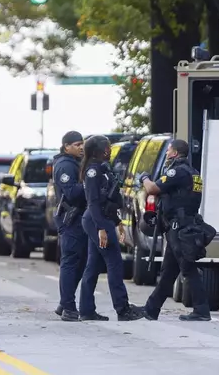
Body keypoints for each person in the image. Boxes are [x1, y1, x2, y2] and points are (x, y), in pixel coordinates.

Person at [138, 139, 211, 321]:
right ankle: (151, 309)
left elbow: (153, 189)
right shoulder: (193, 173)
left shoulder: (177, 171)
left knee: (188, 268)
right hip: (182, 227)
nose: (167, 153)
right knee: (168, 271)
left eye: (169, 150)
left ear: (175, 153)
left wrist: (144, 178)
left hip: (179, 228)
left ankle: (202, 310)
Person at [78, 135, 144, 321]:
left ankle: (86, 309)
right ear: (101, 150)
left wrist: (118, 223)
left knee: (93, 265)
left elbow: (110, 201)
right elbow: (93, 202)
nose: (110, 150)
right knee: (114, 262)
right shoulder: (93, 171)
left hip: (103, 219)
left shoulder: (103, 168)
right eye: (108, 147)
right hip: (96, 220)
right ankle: (122, 309)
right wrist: (101, 228)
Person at [52, 131, 102, 322]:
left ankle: (65, 303)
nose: (81, 147)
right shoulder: (65, 165)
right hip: (70, 219)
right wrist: (91, 182)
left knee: (80, 263)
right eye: (76, 144)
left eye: (82, 144)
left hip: (79, 219)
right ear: (66, 147)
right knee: (71, 262)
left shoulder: (75, 163)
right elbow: (72, 193)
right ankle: (69, 308)